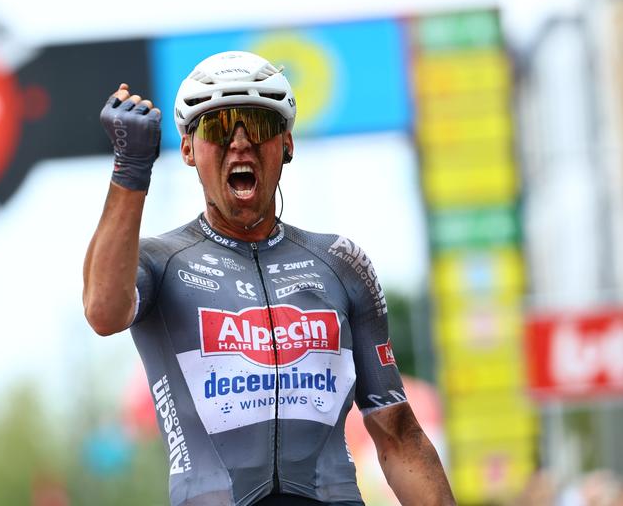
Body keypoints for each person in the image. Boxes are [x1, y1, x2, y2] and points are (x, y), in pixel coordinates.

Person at [83, 51, 455, 506]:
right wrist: (130, 169)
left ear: (287, 144)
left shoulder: (341, 262)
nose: (240, 143)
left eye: (258, 126)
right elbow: (102, 311)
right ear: (187, 149)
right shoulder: (159, 262)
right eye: (219, 128)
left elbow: (400, 437)